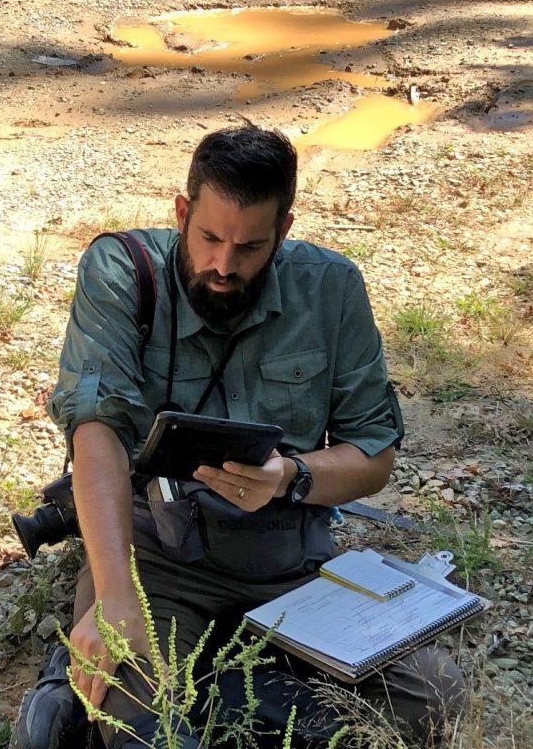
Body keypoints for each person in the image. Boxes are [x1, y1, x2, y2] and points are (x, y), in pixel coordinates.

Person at [43, 124, 466, 748]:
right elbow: (96, 433)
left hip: (288, 563)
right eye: (209, 237)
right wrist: (112, 597)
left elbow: (373, 453)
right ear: (182, 212)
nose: (223, 264)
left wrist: (288, 479)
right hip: (156, 561)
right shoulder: (123, 271)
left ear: (284, 231)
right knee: (141, 725)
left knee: (431, 700)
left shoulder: (331, 288)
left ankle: (224, 691)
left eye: (249, 248)